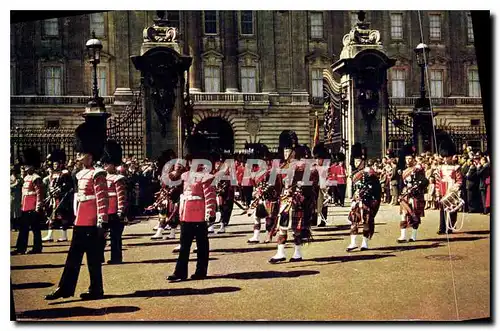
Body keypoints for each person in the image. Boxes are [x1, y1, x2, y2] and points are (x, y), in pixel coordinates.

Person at [45, 122, 109, 300]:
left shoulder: (98, 173)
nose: (79, 157)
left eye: (82, 153)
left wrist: (101, 221)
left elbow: (102, 198)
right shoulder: (79, 174)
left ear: (91, 155)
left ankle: (96, 289)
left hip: (92, 219)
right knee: (73, 256)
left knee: (93, 258)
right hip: (81, 219)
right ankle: (65, 288)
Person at [167, 134, 216, 281]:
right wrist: (176, 169)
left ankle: (201, 271)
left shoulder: (206, 176)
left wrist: (210, 213)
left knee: (201, 245)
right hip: (186, 215)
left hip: (200, 215)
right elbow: (171, 181)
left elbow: (210, 197)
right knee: (184, 245)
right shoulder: (185, 175)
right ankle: (180, 272)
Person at [12, 147, 45, 255]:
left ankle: (37, 247)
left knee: (35, 228)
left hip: (33, 206)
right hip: (25, 206)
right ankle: (21, 248)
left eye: (27, 166)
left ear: (32, 166)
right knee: (24, 228)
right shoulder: (27, 178)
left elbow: (39, 193)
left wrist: (38, 207)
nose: (25, 168)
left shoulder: (36, 178)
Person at [346, 154, 381, 252]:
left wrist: (368, 196)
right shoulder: (354, 174)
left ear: (363, 161)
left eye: (358, 161)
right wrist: (353, 199)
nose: (356, 163)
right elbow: (354, 189)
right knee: (354, 221)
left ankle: (364, 243)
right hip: (357, 201)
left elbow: (375, 187)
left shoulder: (369, 172)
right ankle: (353, 242)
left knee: (366, 222)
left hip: (367, 201)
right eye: (355, 161)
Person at [101, 140, 128, 264]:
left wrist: (120, 210)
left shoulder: (118, 178)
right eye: (104, 164)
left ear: (113, 164)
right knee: (100, 235)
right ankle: (99, 256)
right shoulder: (101, 178)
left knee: (115, 237)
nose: (105, 166)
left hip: (114, 211)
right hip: (105, 210)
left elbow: (121, 195)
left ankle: (116, 257)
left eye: (108, 164)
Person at [397, 145, 428, 243]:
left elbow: (424, 181)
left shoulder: (418, 169)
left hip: (415, 195)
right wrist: (400, 193)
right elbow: (401, 183)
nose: (408, 160)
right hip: (405, 195)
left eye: (410, 158)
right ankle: (403, 236)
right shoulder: (403, 171)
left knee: (415, 215)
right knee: (403, 215)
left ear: (413, 159)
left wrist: (416, 188)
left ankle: (413, 236)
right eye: (406, 159)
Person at [42, 149, 74, 243]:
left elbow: (68, 185)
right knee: (51, 216)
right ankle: (49, 235)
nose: (55, 165)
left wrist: (60, 190)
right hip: (52, 197)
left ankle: (64, 236)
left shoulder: (64, 173)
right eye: (54, 164)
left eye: (57, 164)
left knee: (62, 217)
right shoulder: (52, 173)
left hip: (61, 198)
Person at [435, 140, 463, 234]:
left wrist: (453, 189)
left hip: (452, 191)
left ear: (451, 157)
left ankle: (450, 227)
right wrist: (438, 192)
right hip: (443, 191)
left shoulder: (456, 168)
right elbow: (438, 181)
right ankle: (442, 228)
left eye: (447, 157)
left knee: (452, 210)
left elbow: (459, 181)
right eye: (444, 157)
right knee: (442, 211)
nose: (445, 159)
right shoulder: (440, 168)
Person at [10, 165, 23, 231]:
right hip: (11, 197)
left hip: (18, 197)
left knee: (17, 212)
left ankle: (17, 226)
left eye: (15, 171)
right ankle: (12, 227)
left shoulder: (19, 177)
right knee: (12, 212)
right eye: (13, 171)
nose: (14, 172)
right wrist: (15, 184)